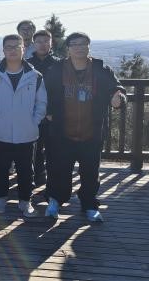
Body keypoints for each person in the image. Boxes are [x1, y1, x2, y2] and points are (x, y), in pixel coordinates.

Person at [44, 32, 126, 222]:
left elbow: (117, 88)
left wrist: (118, 98)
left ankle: (89, 204)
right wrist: (47, 112)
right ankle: (55, 201)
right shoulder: (57, 69)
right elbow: (43, 92)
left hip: (92, 131)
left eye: (83, 44)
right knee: (59, 170)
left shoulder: (100, 68)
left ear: (89, 46)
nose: (79, 47)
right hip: (62, 132)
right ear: (68, 48)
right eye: (75, 44)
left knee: (90, 172)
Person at [0, 34, 47, 218]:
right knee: (0, 168)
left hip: (27, 133)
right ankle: (0, 198)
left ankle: (25, 201)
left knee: (26, 170)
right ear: (3, 50)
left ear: (23, 49)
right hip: (1, 132)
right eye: (8, 47)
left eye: (16, 47)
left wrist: (33, 121)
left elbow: (41, 103)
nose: (12, 50)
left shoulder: (35, 76)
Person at [27, 29, 60, 187]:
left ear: (51, 43)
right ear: (34, 44)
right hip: (32, 113)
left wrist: (51, 111)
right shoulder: (27, 63)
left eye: (46, 41)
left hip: (52, 114)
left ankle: (52, 184)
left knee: (53, 150)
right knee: (34, 149)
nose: (42, 44)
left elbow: (61, 91)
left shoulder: (59, 64)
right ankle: (36, 178)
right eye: (39, 41)